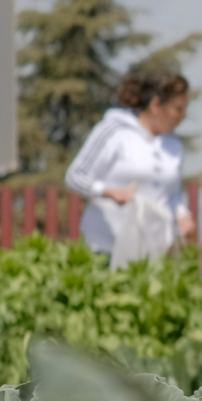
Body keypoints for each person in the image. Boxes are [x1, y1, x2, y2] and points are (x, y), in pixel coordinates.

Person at [64, 70, 193, 262]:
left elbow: (171, 194)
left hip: (150, 252)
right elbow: (75, 176)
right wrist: (109, 192)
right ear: (156, 104)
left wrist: (182, 214)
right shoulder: (114, 130)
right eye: (178, 108)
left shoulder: (173, 145)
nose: (182, 116)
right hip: (104, 246)